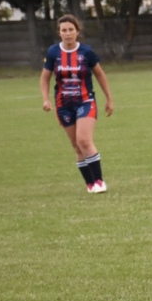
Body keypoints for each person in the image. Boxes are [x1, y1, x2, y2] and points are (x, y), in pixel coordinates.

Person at [39, 14, 114, 193]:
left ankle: (100, 182)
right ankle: (90, 183)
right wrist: (46, 99)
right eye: (64, 30)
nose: (68, 33)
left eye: (71, 30)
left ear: (77, 31)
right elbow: (44, 78)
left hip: (85, 101)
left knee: (84, 140)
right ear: (59, 33)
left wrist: (109, 99)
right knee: (76, 144)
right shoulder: (53, 52)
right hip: (63, 105)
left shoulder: (86, 52)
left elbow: (100, 75)